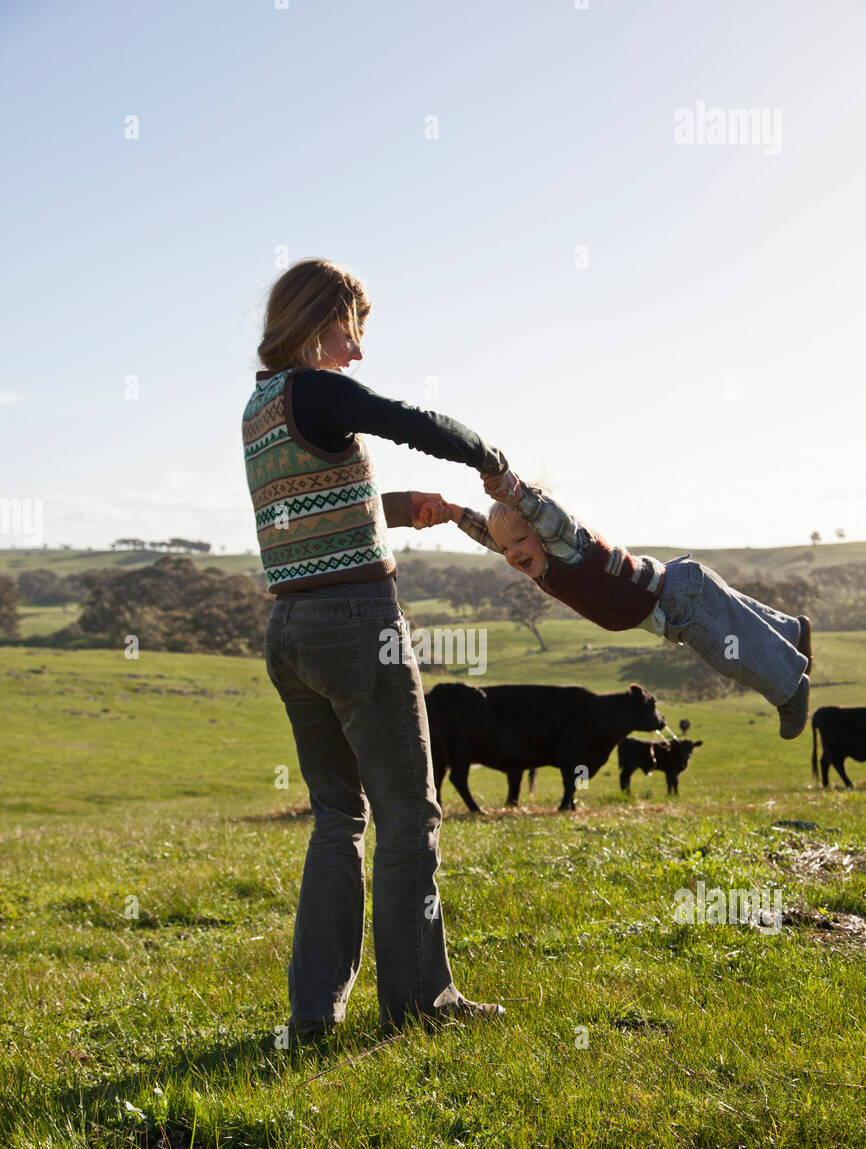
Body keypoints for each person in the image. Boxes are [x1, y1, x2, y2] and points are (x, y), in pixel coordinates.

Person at [242, 258, 507, 1035]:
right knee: (409, 811)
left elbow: (297, 514)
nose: (356, 352)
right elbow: (409, 419)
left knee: (337, 817)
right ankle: (422, 1002)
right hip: (358, 624)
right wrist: (489, 458)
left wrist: (391, 507)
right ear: (319, 320)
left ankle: (313, 1015)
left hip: (291, 629)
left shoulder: (262, 408)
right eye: (351, 331)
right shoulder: (317, 387)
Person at [417, 470, 812, 737]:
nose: (511, 552)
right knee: (738, 619)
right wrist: (453, 514)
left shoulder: (567, 544)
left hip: (678, 600)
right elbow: (491, 535)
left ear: (541, 531)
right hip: (681, 585)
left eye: (520, 540)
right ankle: (791, 631)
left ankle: (788, 689)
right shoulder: (541, 565)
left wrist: (513, 493)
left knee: (732, 655)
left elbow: (548, 516)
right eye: (505, 548)